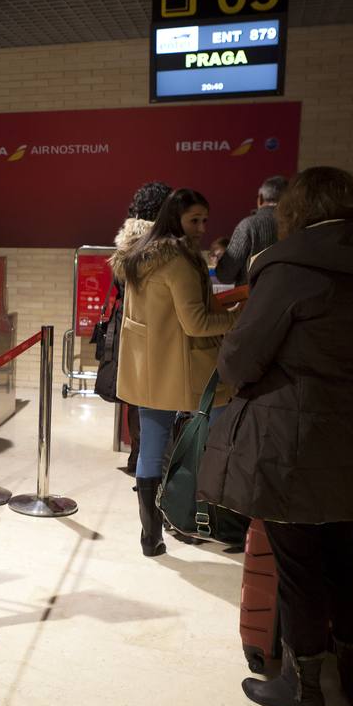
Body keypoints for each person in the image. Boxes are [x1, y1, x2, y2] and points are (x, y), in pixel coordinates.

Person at [198, 167, 353, 706]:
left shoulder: (289, 268)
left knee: (296, 563)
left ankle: (302, 684)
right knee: (341, 551)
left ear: (294, 211)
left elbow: (241, 359)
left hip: (293, 439)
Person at [115, 188, 237, 557]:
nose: (202, 227)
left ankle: (150, 537)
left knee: (151, 449)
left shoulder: (139, 255)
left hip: (149, 368)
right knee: (211, 445)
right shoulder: (180, 261)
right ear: (175, 219)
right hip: (188, 367)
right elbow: (197, 323)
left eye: (204, 219)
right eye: (194, 220)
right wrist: (237, 319)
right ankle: (197, 520)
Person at [110, 181, 172, 475]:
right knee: (159, 399)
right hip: (160, 328)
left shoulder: (126, 240)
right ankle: (153, 460)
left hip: (130, 326)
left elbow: (120, 285)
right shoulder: (164, 245)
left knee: (136, 398)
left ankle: (138, 455)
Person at [216, 175, 287, 286]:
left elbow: (225, 275)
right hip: (288, 299)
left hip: (252, 299)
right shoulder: (298, 226)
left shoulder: (248, 225)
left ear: (261, 198)